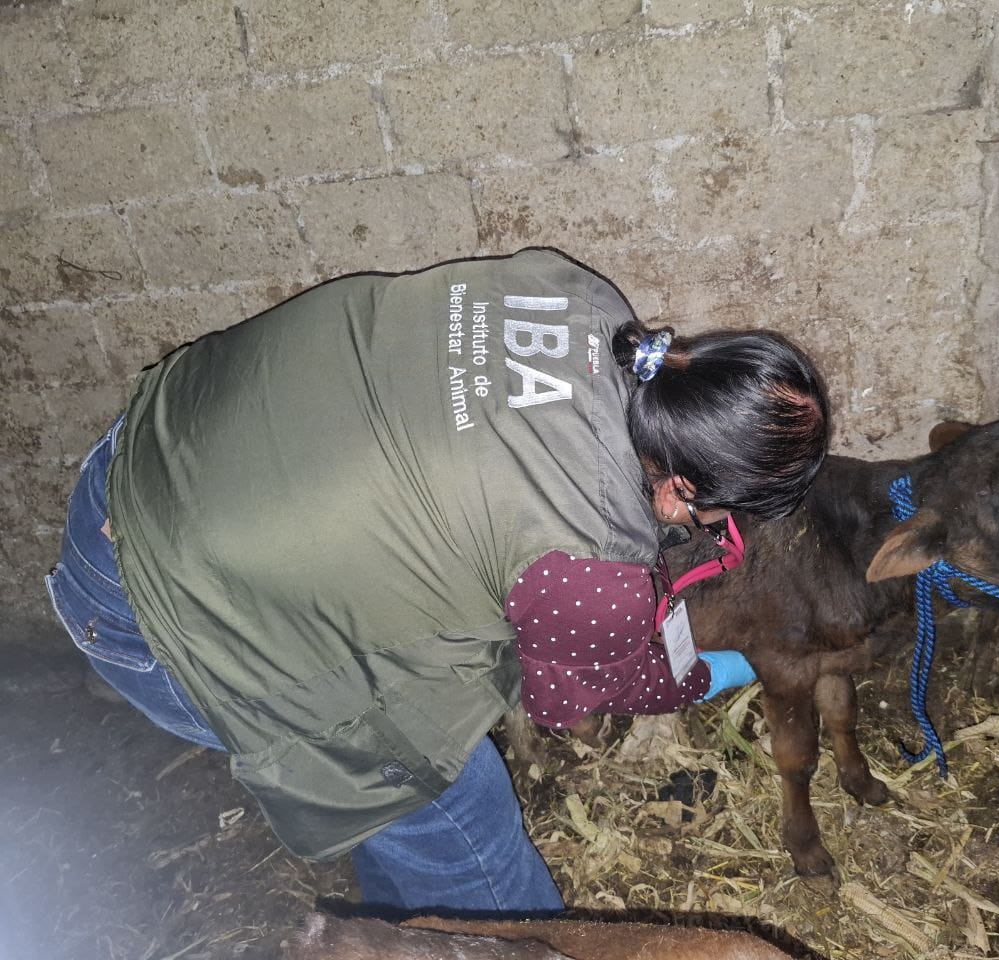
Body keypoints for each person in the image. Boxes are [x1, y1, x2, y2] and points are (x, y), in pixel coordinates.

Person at [44, 247, 829, 916]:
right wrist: (708, 670)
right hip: (160, 601)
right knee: (460, 824)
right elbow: (564, 697)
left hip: (156, 444)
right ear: (682, 491)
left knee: (408, 815)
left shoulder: (577, 294)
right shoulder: (589, 561)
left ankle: (397, 930)